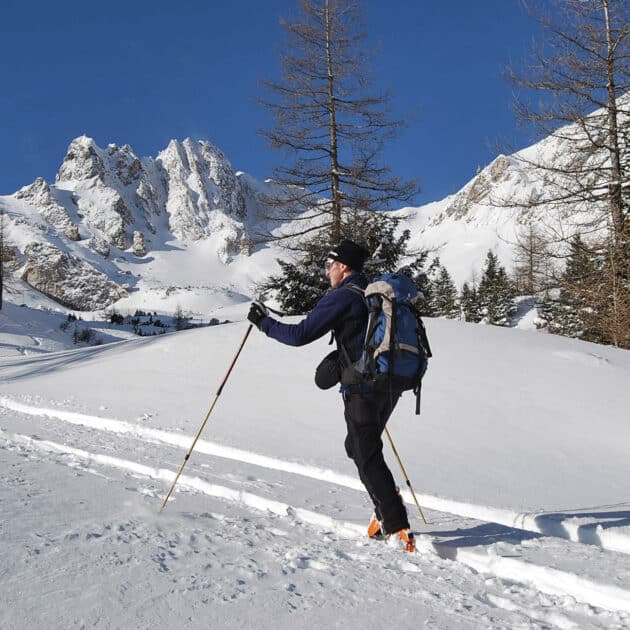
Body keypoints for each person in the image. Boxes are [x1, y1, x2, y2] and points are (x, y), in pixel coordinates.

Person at [247, 239, 414, 550]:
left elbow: (299, 336)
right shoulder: (370, 292)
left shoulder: (343, 297)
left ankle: (395, 523)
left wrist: (263, 323)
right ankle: (385, 507)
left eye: (329, 265)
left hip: (364, 386)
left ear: (343, 267)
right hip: (391, 380)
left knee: (364, 452)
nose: (326, 272)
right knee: (358, 446)